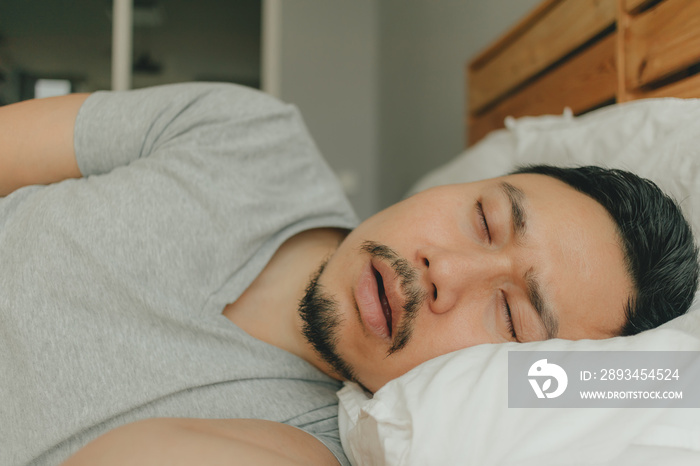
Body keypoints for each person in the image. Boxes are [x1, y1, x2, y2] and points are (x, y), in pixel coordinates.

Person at [0, 83, 696, 466]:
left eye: (511, 318)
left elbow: (676, 383)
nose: (442, 272)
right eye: (484, 219)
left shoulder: (301, 450)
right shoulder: (244, 132)